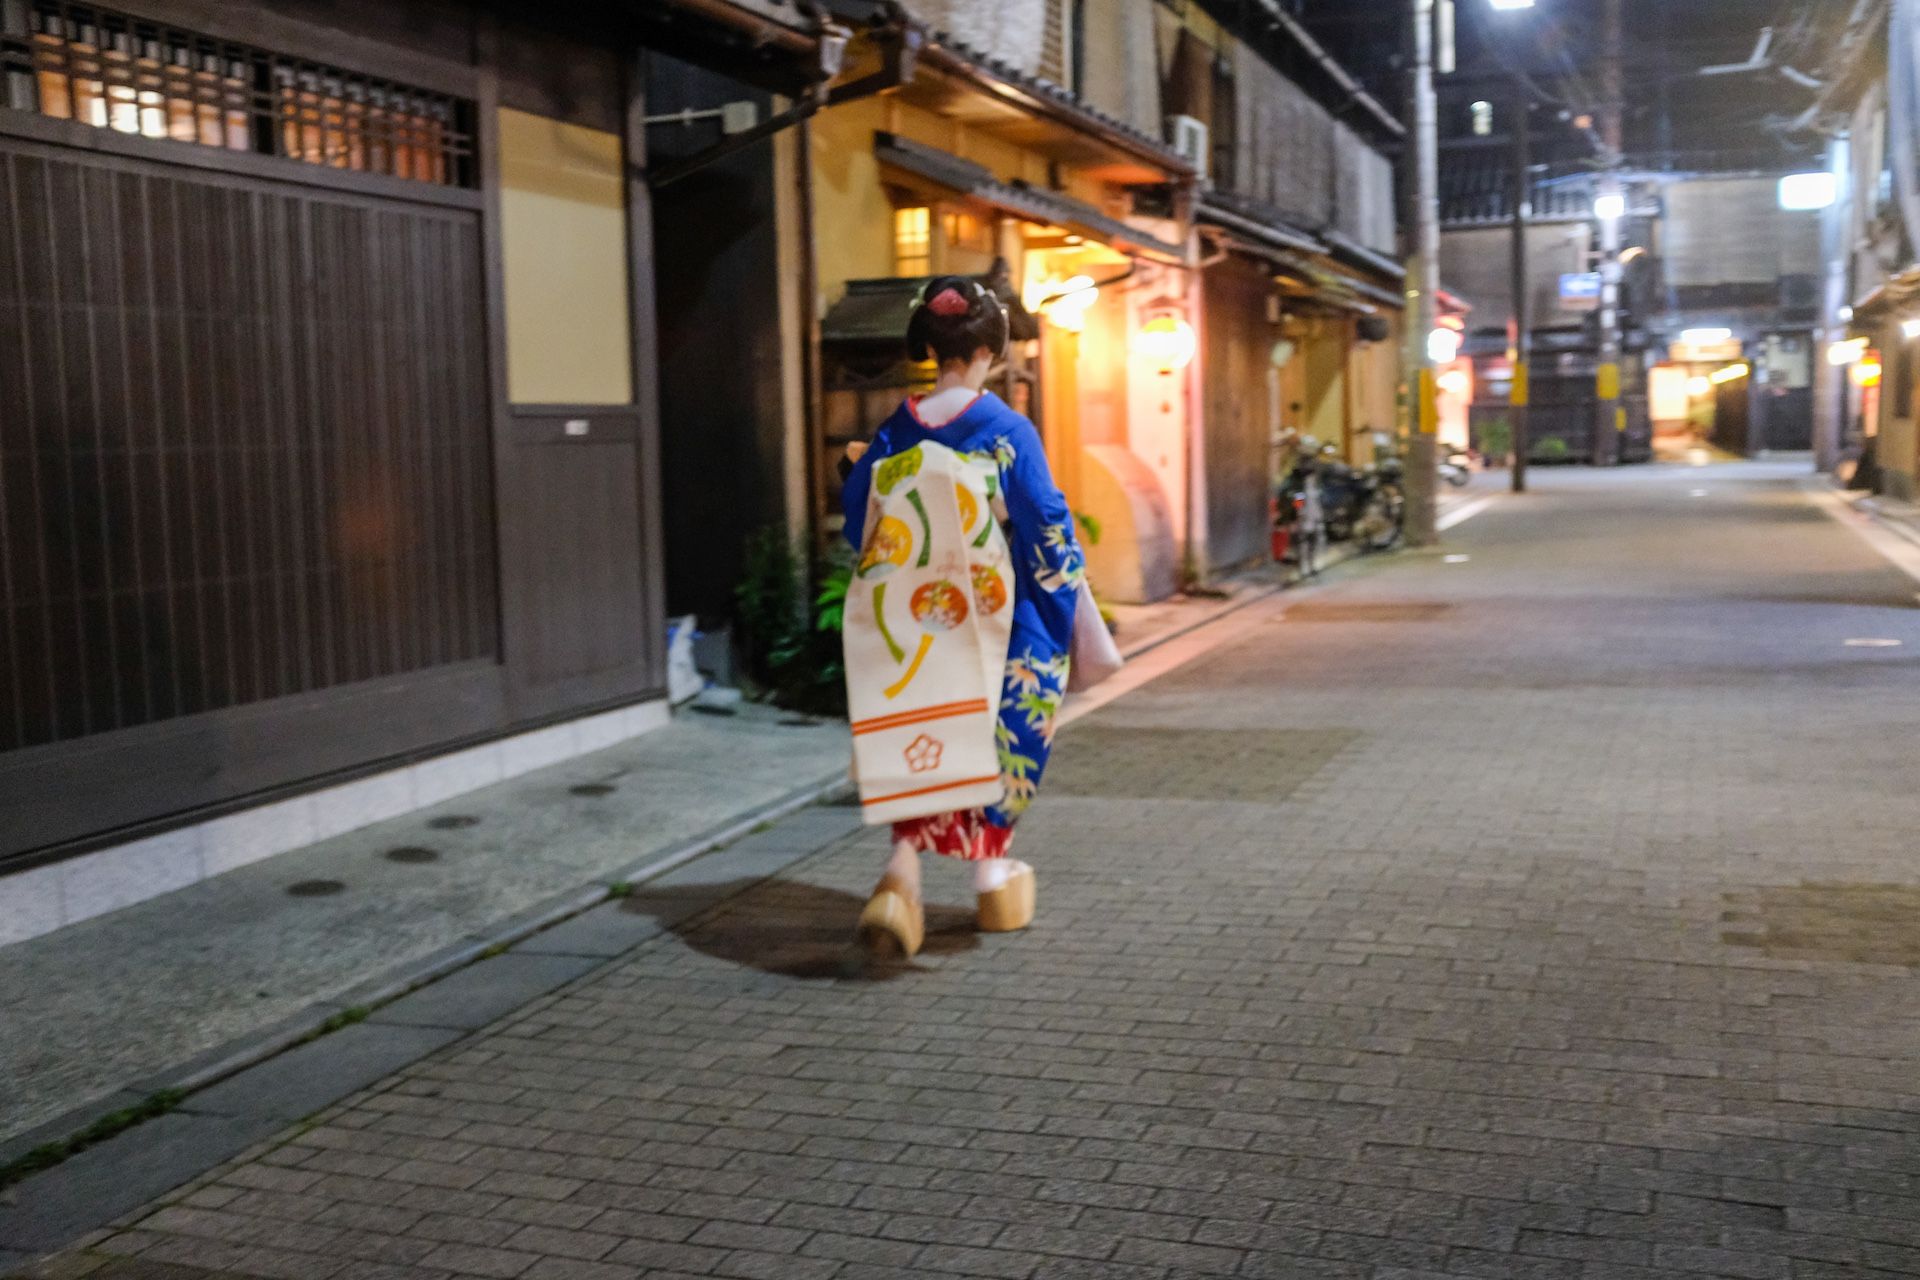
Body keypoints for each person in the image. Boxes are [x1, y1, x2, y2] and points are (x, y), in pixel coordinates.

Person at [840, 275, 1084, 958]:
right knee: (1004, 731)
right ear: (993, 349)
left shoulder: (897, 428)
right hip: (994, 618)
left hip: (914, 622)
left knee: (921, 731)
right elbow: (1044, 524)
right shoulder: (1007, 429)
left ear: (930, 343)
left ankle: (900, 878)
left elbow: (859, 521)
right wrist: (1065, 585)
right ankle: (992, 875)